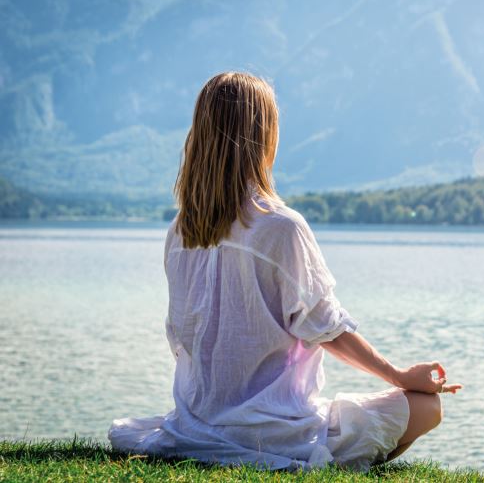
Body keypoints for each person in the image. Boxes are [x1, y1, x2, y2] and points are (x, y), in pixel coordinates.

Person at [108, 72, 462, 471]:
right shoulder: (281, 226)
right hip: (275, 431)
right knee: (427, 407)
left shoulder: (180, 232)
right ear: (264, 137)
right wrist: (399, 376)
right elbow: (327, 328)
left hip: (196, 425)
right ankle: (327, 462)